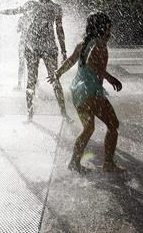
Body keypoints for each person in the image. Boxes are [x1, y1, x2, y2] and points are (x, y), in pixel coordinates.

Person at [50, 11, 123, 173]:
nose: (110, 33)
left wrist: (58, 73)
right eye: (109, 28)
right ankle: (108, 164)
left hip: (79, 92)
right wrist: (111, 79)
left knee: (88, 129)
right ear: (102, 28)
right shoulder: (99, 44)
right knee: (113, 124)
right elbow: (92, 63)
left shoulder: (83, 43)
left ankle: (74, 163)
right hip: (92, 93)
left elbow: (70, 61)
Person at [0, 0, 69, 121]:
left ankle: (64, 113)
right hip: (32, 47)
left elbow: (60, 30)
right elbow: (14, 11)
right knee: (31, 81)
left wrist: (64, 51)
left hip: (49, 47)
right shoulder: (31, 4)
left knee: (55, 80)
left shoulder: (56, 8)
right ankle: (30, 114)